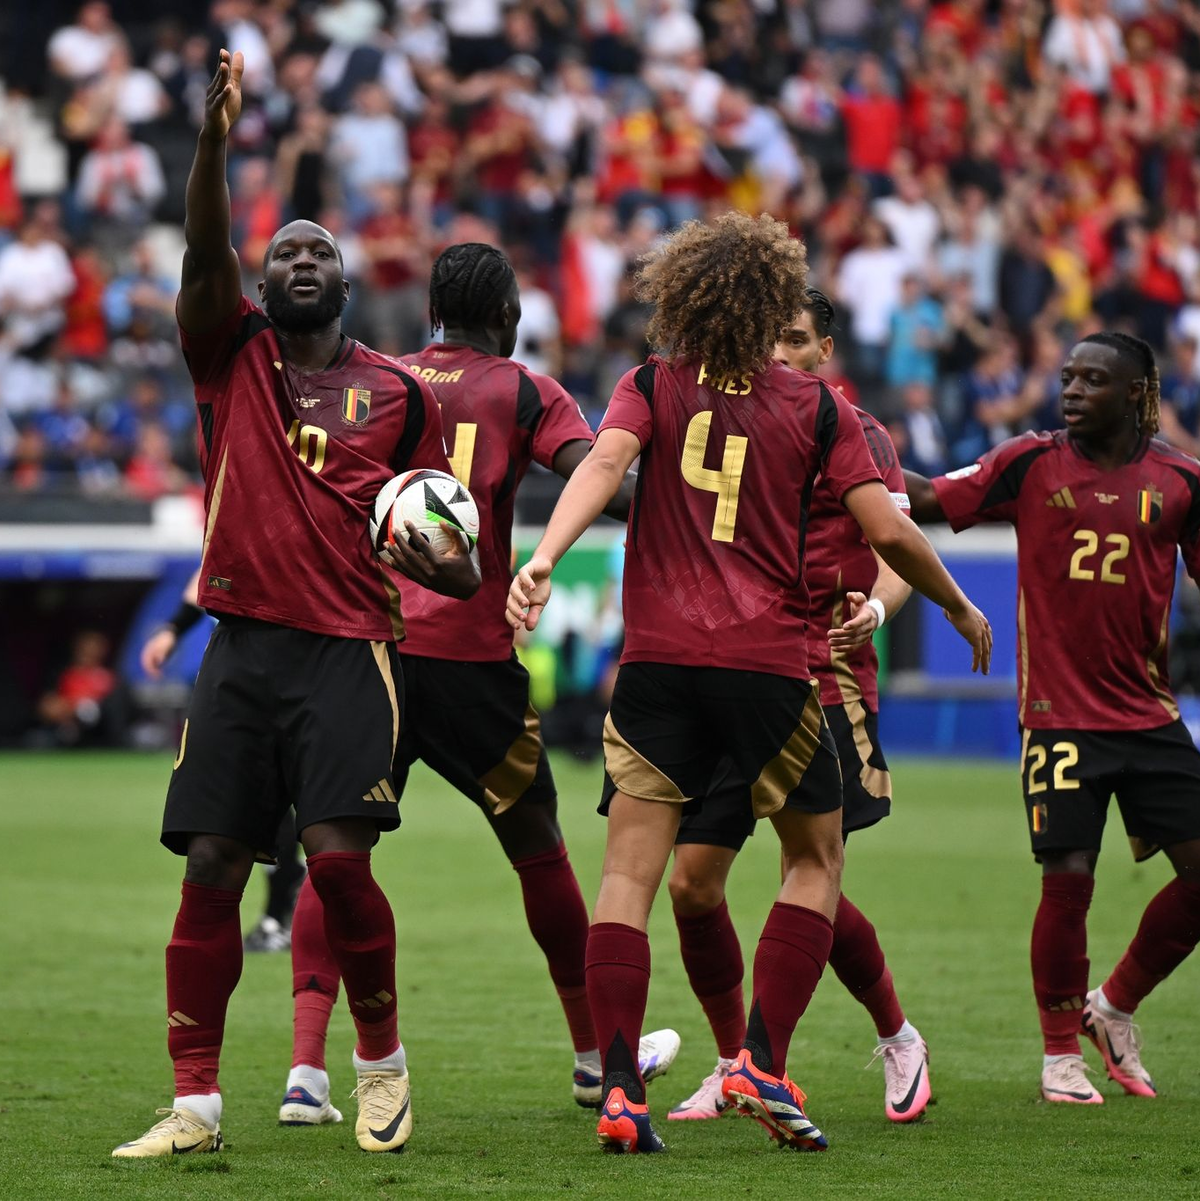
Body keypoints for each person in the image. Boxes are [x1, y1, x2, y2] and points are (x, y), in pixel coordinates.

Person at [507, 212, 991, 1153]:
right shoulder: (817, 410)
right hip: (770, 667)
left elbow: (605, 463)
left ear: (683, 296)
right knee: (813, 863)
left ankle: (618, 1091)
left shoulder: (651, 383)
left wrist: (544, 558)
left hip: (655, 666)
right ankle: (762, 1061)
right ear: (774, 300)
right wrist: (958, 605)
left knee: (625, 878)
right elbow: (890, 532)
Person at [113, 50, 479, 1161]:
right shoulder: (226, 353)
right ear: (259, 283)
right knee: (213, 865)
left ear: (349, 284)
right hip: (241, 645)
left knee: (338, 857)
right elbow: (201, 240)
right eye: (285, 253)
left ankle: (378, 1069)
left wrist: (451, 562)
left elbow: (451, 550)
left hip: (349, 649)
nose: (303, 261)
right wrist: (216, 141)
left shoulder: (403, 394)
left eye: (321, 251)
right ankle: (196, 1104)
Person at [280, 241, 679, 1127]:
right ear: (509, 317)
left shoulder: (379, 378)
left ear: (431, 311)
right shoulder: (524, 389)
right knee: (538, 847)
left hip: (369, 653)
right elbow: (603, 480)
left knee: (339, 851)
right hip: (471, 662)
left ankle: (306, 1072)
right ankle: (589, 1057)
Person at [904, 332, 1200, 1105]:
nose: (1071, 390)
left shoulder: (1182, 480)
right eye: (1067, 377)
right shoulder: (1028, 461)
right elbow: (931, 499)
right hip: (1059, 714)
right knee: (1068, 880)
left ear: (1137, 392)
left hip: (1150, 714)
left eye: (1092, 380)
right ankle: (1059, 1055)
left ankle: (1116, 1004)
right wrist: (844, 457)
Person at [663, 289, 933, 1126]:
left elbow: (895, 545)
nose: (780, 355)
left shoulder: (856, 430)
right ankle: (733, 1057)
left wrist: (879, 609)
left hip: (824, 671)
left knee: (807, 871)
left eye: (796, 341)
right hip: (733, 670)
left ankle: (862, 1042)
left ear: (826, 350)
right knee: (692, 884)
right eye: (769, 338)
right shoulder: (727, 416)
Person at [140, 569, 305, 954]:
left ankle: (292, 910)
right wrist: (173, 629)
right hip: (242, 683)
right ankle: (284, 911)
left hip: (296, 677)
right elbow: (207, 570)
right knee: (255, 803)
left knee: (294, 805)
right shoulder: (236, 523)